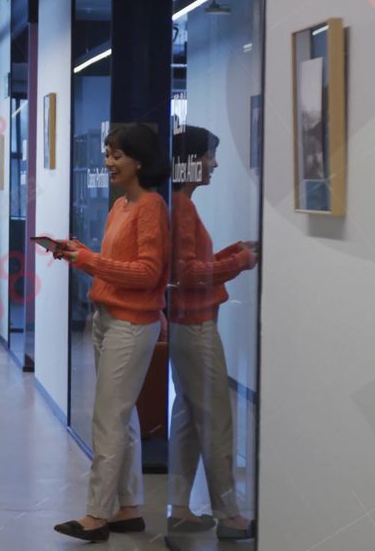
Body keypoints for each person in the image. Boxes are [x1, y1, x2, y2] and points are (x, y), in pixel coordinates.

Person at [52, 123, 171, 542]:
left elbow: (147, 272)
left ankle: (97, 515)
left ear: (140, 161)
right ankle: (130, 507)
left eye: (117, 155)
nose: (108, 162)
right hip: (107, 318)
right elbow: (115, 261)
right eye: (107, 153)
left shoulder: (152, 206)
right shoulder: (120, 206)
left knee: (108, 418)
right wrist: (81, 255)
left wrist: (91, 261)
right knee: (125, 417)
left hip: (132, 323)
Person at [166, 125, 258, 541]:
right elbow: (188, 274)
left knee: (187, 419)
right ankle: (229, 515)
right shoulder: (182, 207)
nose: (215, 164)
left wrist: (235, 251)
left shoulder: (180, 203)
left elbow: (192, 263)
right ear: (188, 161)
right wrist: (240, 262)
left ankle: (181, 508)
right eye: (208, 156)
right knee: (217, 419)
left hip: (186, 325)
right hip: (196, 326)